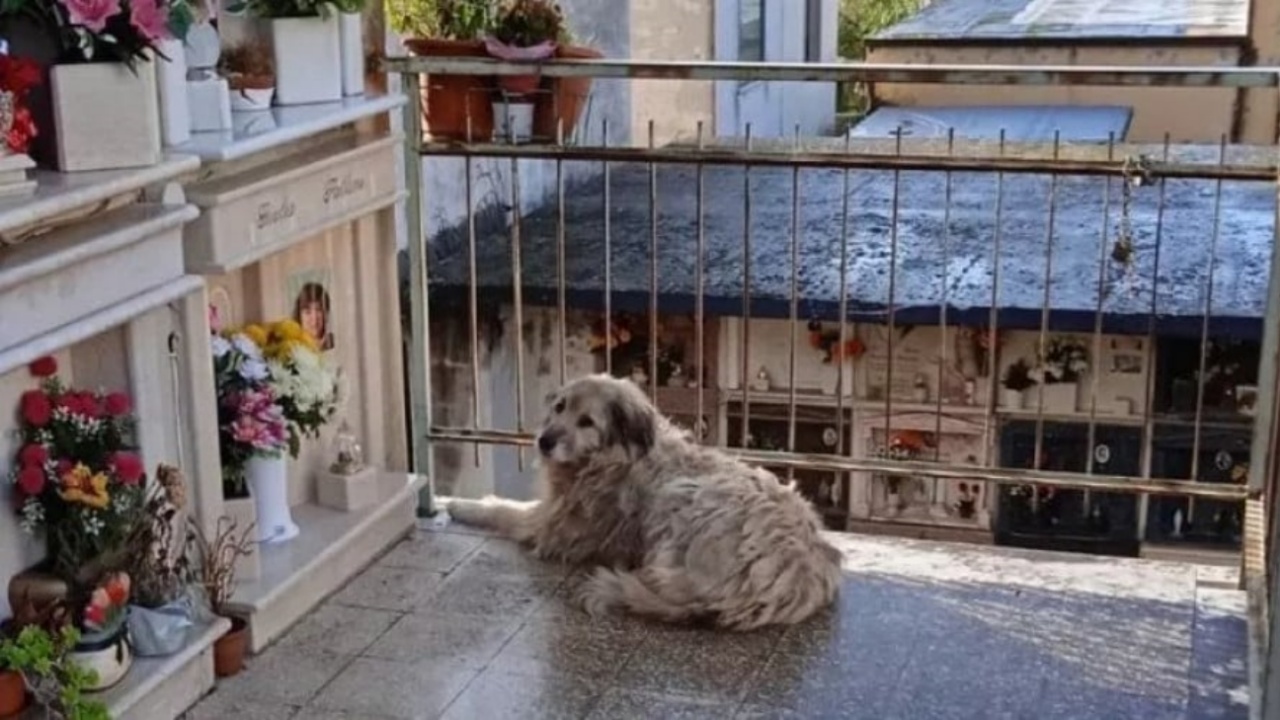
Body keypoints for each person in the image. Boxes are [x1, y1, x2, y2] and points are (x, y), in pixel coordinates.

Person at [293, 281, 334, 351]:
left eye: (318, 310)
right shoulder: (293, 349)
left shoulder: (334, 343)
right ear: (299, 317)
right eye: (307, 312)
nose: (314, 317)